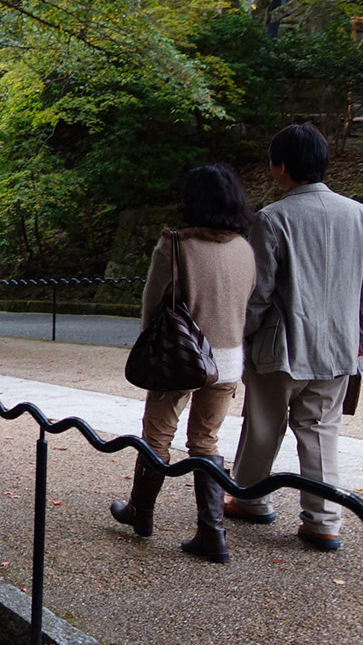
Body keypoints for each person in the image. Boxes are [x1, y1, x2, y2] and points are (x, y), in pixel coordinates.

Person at [227, 123, 363, 552]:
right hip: (339, 347)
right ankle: (324, 520)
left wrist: (243, 339)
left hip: (282, 346)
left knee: (263, 427)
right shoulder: (359, 214)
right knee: (321, 432)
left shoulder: (273, 218)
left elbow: (259, 292)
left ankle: (251, 500)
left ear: (282, 167)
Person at [109, 164, 256, 564]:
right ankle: (212, 533)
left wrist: (147, 351)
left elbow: (152, 304)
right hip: (227, 363)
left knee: (157, 435)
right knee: (205, 441)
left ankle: (141, 513)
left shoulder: (175, 246)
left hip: (181, 358)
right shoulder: (245, 249)